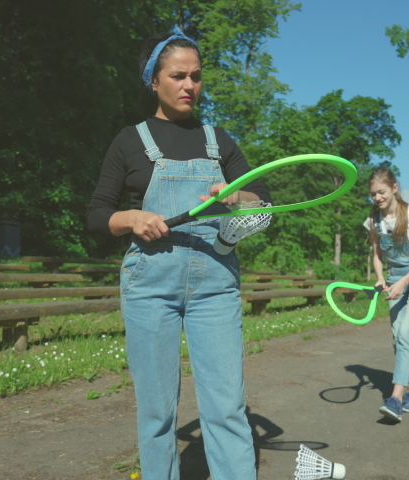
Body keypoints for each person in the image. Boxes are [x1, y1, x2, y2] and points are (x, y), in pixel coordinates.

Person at [87, 26, 270, 480]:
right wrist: (132, 219)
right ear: (154, 80)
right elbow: (97, 215)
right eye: (178, 76)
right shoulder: (130, 141)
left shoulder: (219, 141)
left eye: (197, 76)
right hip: (150, 286)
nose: (190, 85)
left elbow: (264, 205)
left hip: (215, 289)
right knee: (157, 414)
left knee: (227, 407)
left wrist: (238, 197)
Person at [363, 167, 409, 422]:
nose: (377, 198)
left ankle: (395, 397)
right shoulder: (374, 220)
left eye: (381, 192)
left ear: (394, 188)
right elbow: (376, 254)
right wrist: (381, 278)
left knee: (405, 334)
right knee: (398, 339)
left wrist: (404, 282)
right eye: (373, 194)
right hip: (394, 280)